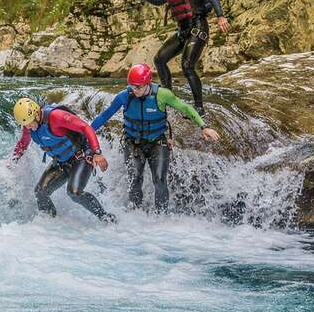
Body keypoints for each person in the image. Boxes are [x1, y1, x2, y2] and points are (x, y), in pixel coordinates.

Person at [91, 64, 221, 211]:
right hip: (133, 143)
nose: (135, 90)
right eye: (132, 86)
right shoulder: (124, 96)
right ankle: (135, 213)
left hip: (157, 142)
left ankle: (161, 215)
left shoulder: (162, 95)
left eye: (138, 87)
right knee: (135, 179)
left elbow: (185, 108)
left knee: (159, 180)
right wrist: (87, 132)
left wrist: (203, 127)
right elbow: (104, 116)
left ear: (148, 83)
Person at [126, 0, 229, 118]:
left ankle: (199, 108)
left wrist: (220, 16)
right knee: (159, 59)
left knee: (187, 66)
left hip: (198, 27)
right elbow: (158, 1)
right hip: (183, 31)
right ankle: (167, 96)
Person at [10, 98, 114, 223]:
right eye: (25, 125)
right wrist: (13, 160)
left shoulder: (56, 117)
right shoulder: (29, 125)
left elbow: (86, 127)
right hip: (61, 162)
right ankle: (50, 223)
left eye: (29, 123)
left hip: (81, 156)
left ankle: (106, 218)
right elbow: (23, 143)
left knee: (74, 192)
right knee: (40, 192)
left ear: (37, 114)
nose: (28, 127)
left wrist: (97, 153)